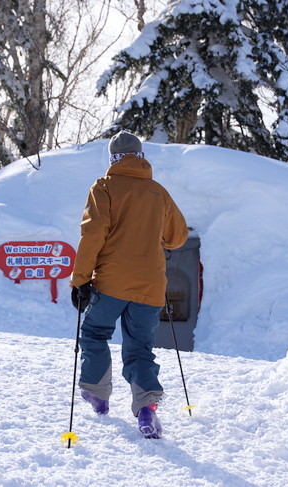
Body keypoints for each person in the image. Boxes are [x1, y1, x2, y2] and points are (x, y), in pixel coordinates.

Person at [70, 131, 188, 439]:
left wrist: (80, 280)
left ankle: (97, 394)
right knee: (140, 348)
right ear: (141, 157)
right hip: (150, 286)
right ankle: (147, 408)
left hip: (110, 282)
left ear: (112, 159)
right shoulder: (157, 192)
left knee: (95, 333)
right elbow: (177, 237)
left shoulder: (104, 187)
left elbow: (93, 234)